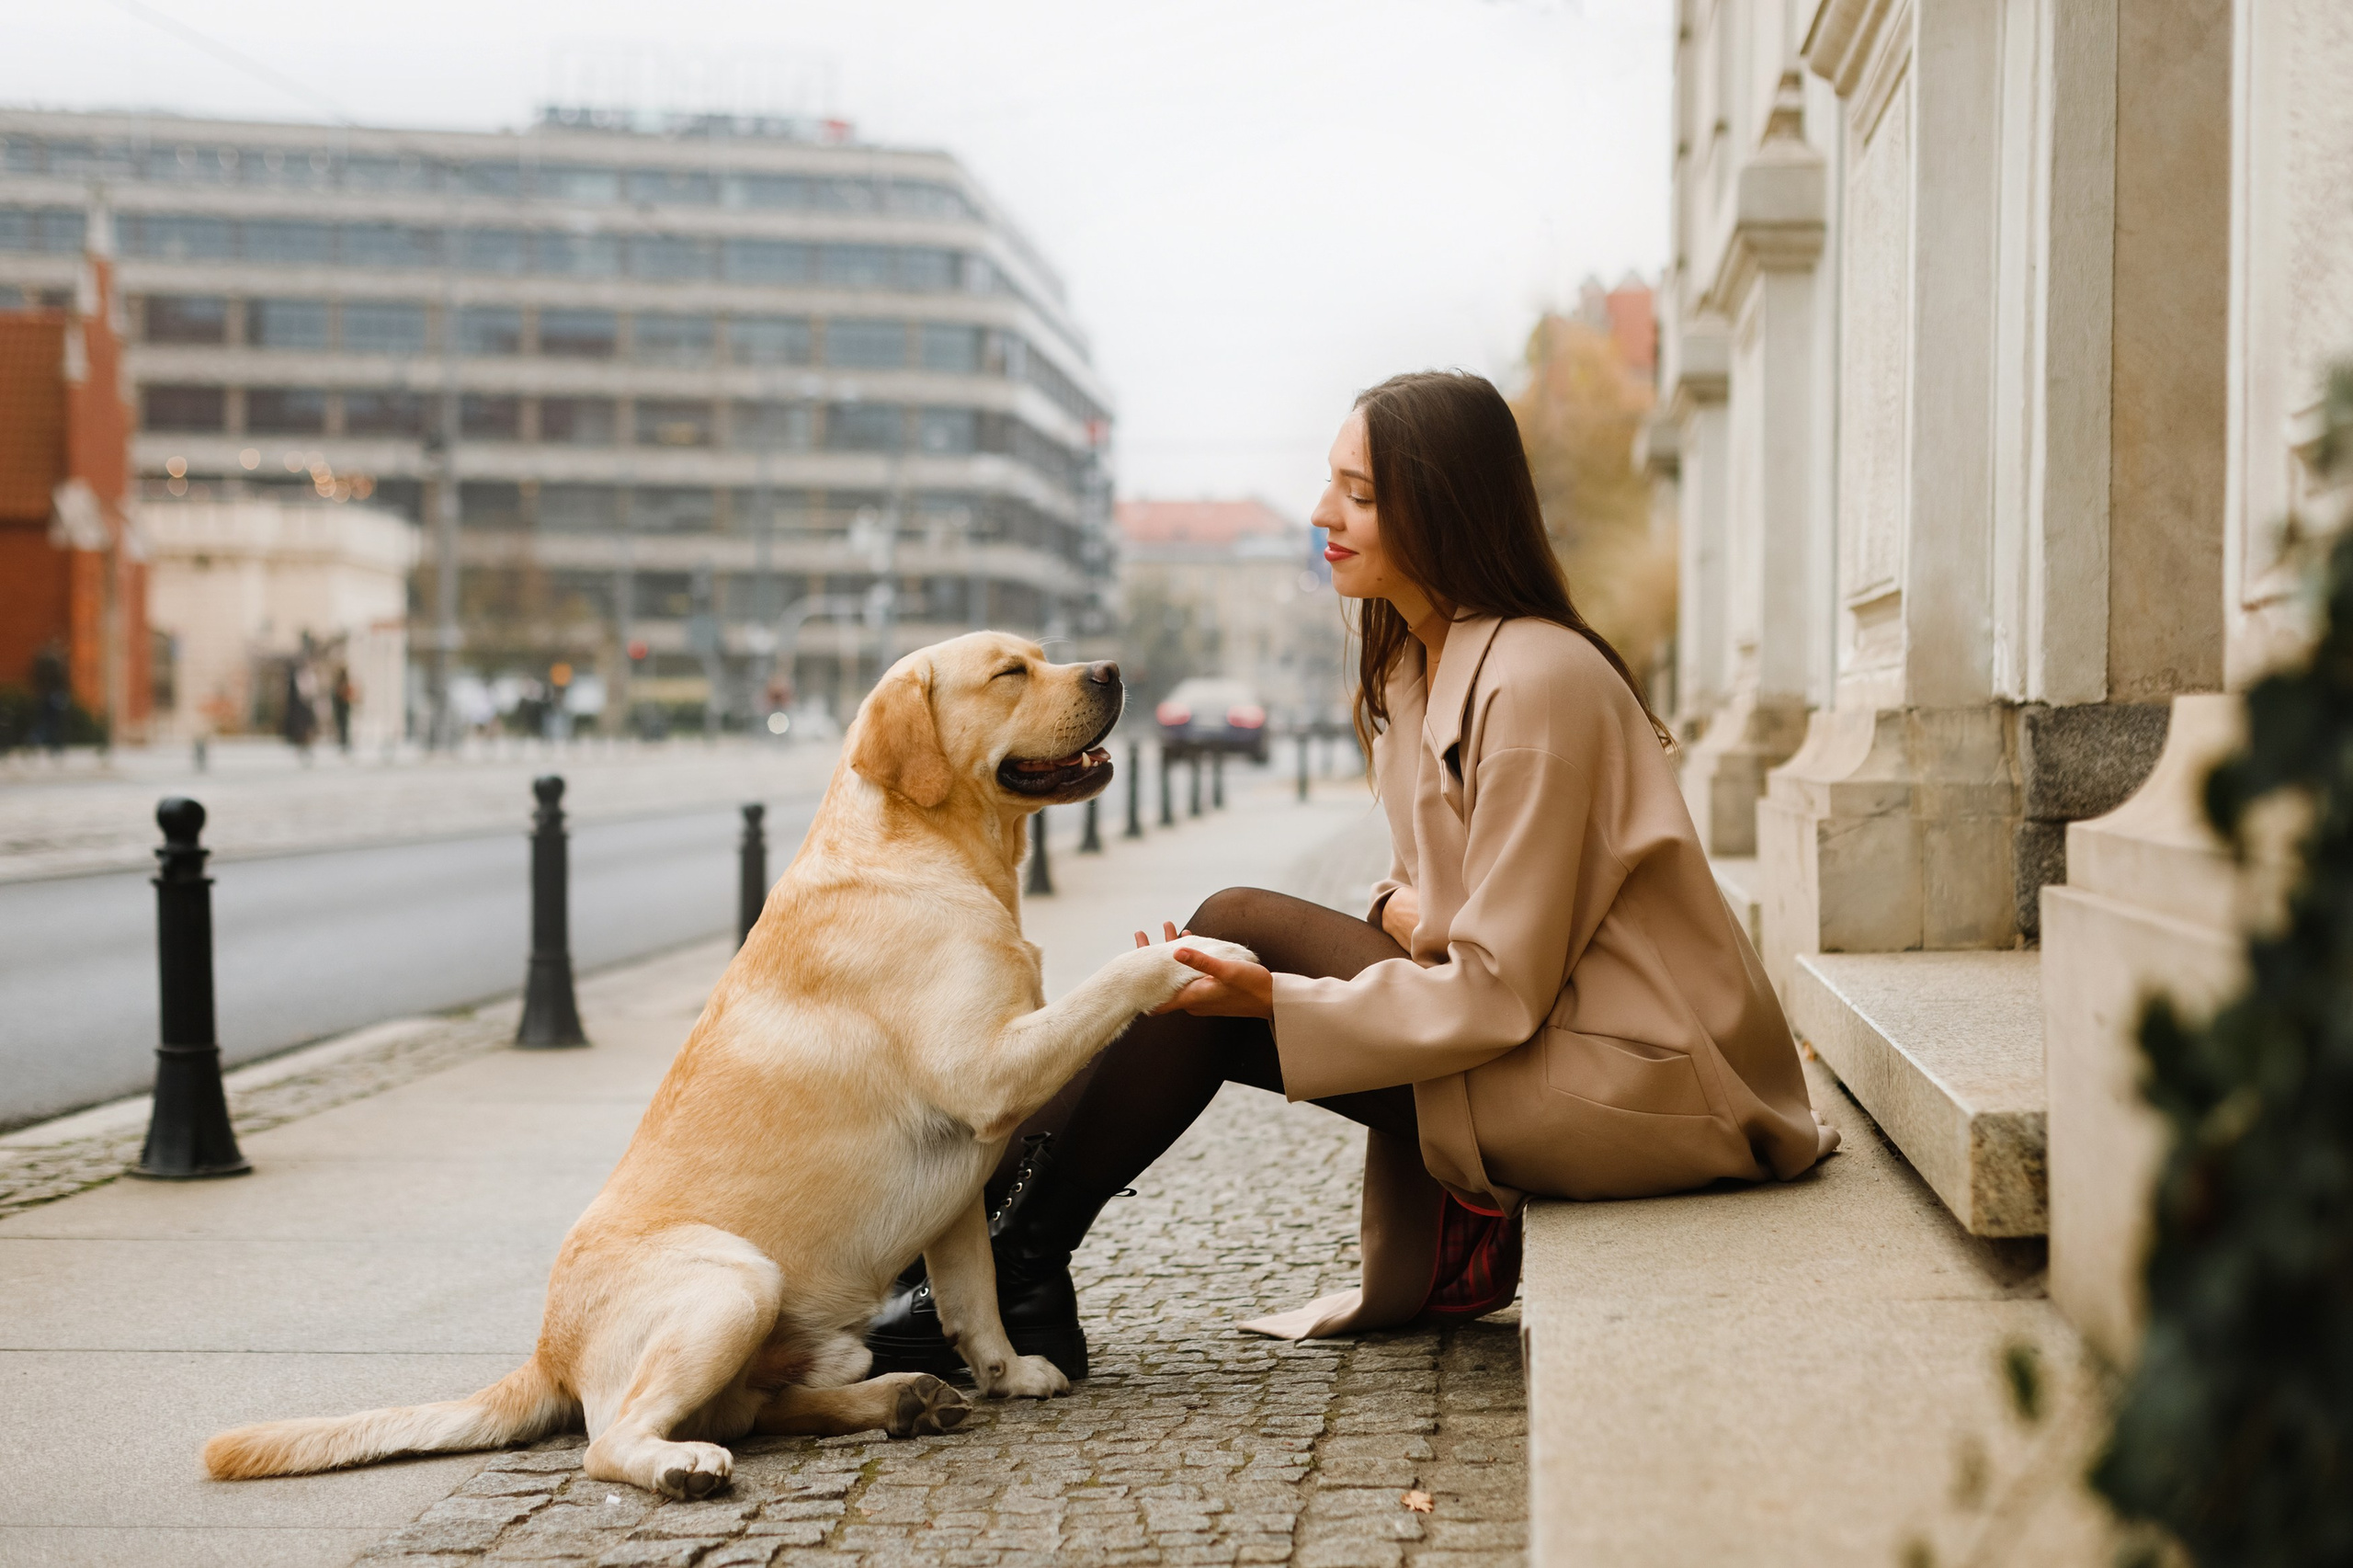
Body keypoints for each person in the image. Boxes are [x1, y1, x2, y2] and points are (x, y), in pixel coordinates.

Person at [868, 369, 1839, 1378]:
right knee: (1205, 958)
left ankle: (997, 1266)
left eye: (1361, 494)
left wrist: (1278, 995)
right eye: (1331, 483)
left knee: (1230, 938)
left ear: (1444, 510)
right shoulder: (1422, 666)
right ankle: (988, 1263)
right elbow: (1420, 894)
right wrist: (1407, 918)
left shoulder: (1535, 681)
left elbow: (1497, 987)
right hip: (1551, 1033)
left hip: (1639, 1079)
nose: (1323, 514)